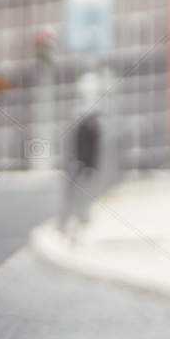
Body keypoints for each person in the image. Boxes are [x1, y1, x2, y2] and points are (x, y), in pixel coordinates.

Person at [60, 81, 106, 240]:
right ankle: (69, 222)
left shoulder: (90, 127)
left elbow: (91, 149)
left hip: (83, 165)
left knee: (80, 194)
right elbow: (77, 147)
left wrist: (89, 165)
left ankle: (76, 221)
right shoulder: (84, 126)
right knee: (75, 194)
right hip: (79, 165)